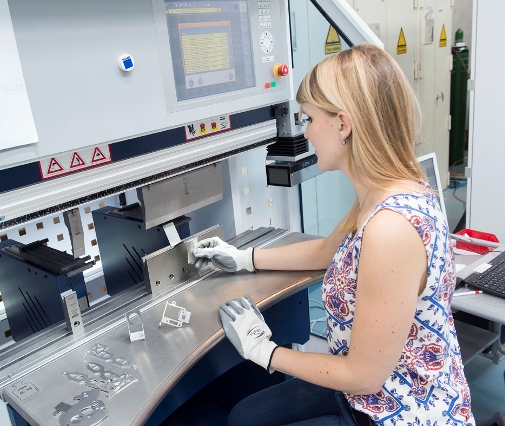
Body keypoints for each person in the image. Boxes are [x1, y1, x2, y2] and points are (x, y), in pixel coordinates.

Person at [193, 44, 475, 426]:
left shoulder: (391, 229)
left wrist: (264, 351)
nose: (305, 132)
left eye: (309, 118)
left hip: (396, 409)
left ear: (343, 124)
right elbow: (330, 250)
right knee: (245, 416)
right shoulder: (387, 189)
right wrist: (245, 258)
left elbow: (364, 376)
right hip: (373, 383)